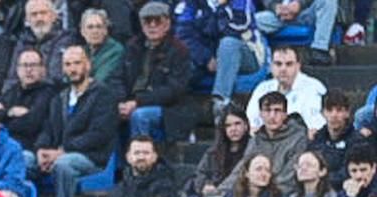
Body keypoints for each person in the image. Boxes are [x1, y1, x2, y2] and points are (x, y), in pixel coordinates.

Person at [32, 45, 116, 197]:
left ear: (88, 65)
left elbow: (98, 134)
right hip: (61, 152)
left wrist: (62, 151)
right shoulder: (60, 98)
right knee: (25, 160)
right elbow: (48, 129)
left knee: (64, 164)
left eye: (77, 63)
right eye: (68, 64)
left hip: (92, 157)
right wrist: (41, 150)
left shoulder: (103, 94)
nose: (72, 69)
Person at [107, 1, 193, 142]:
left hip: (168, 109)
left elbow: (174, 90)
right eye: (147, 21)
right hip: (130, 102)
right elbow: (116, 78)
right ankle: (113, 164)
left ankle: (142, 159)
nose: (152, 25)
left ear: (167, 24)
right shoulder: (132, 46)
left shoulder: (179, 50)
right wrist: (121, 102)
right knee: (107, 113)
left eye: (157, 21)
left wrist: (138, 102)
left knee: (140, 115)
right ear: (142, 25)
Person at [175, 0, 263, 115]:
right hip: (208, 57)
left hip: (247, 55)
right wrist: (206, 58)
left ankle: (220, 104)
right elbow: (183, 34)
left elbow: (238, 27)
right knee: (182, 68)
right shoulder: (192, 3)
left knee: (228, 43)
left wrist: (223, 6)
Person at [0, 48, 58, 156]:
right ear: (17, 69)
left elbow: (31, 125)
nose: (28, 70)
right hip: (5, 143)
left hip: (28, 148)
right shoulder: (14, 90)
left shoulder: (48, 93)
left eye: (33, 65)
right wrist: (10, 112)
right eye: (24, 65)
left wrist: (3, 120)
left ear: (43, 69)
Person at [244, 46, 326, 134]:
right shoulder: (263, 88)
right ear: (271, 66)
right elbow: (250, 123)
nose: (283, 69)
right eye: (278, 64)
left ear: (298, 66)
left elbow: (314, 129)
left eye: (289, 64)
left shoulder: (313, 87)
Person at [106, 135, 179, 197]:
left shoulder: (166, 187)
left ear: (155, 157)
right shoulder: (117, 190)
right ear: (128, 157)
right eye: (136, 153)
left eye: (146, 153)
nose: (141, 157)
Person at [256, 0, 338, 66]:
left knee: (328, 1)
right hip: (279, 15)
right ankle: (261, 58)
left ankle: (319, 50)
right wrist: (276, 7)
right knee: (254, 20)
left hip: (306, 12)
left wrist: (299, 4)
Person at [310, 90, 363, 191]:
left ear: (347, 113)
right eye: (329, 110)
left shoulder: (357, 140)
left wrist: (321, 179)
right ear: (322, 113)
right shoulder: (317, 139)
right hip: (317, 191)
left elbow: (349, 171)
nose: (334, 115)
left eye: (339, 110)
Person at [79, 8, 123, 84]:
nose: (95, 31)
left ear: (105, 30)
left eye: (99, 26)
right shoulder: (82, 51)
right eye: (90, 27)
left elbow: (99, 79)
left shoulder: (115, 50)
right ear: (82, 32)